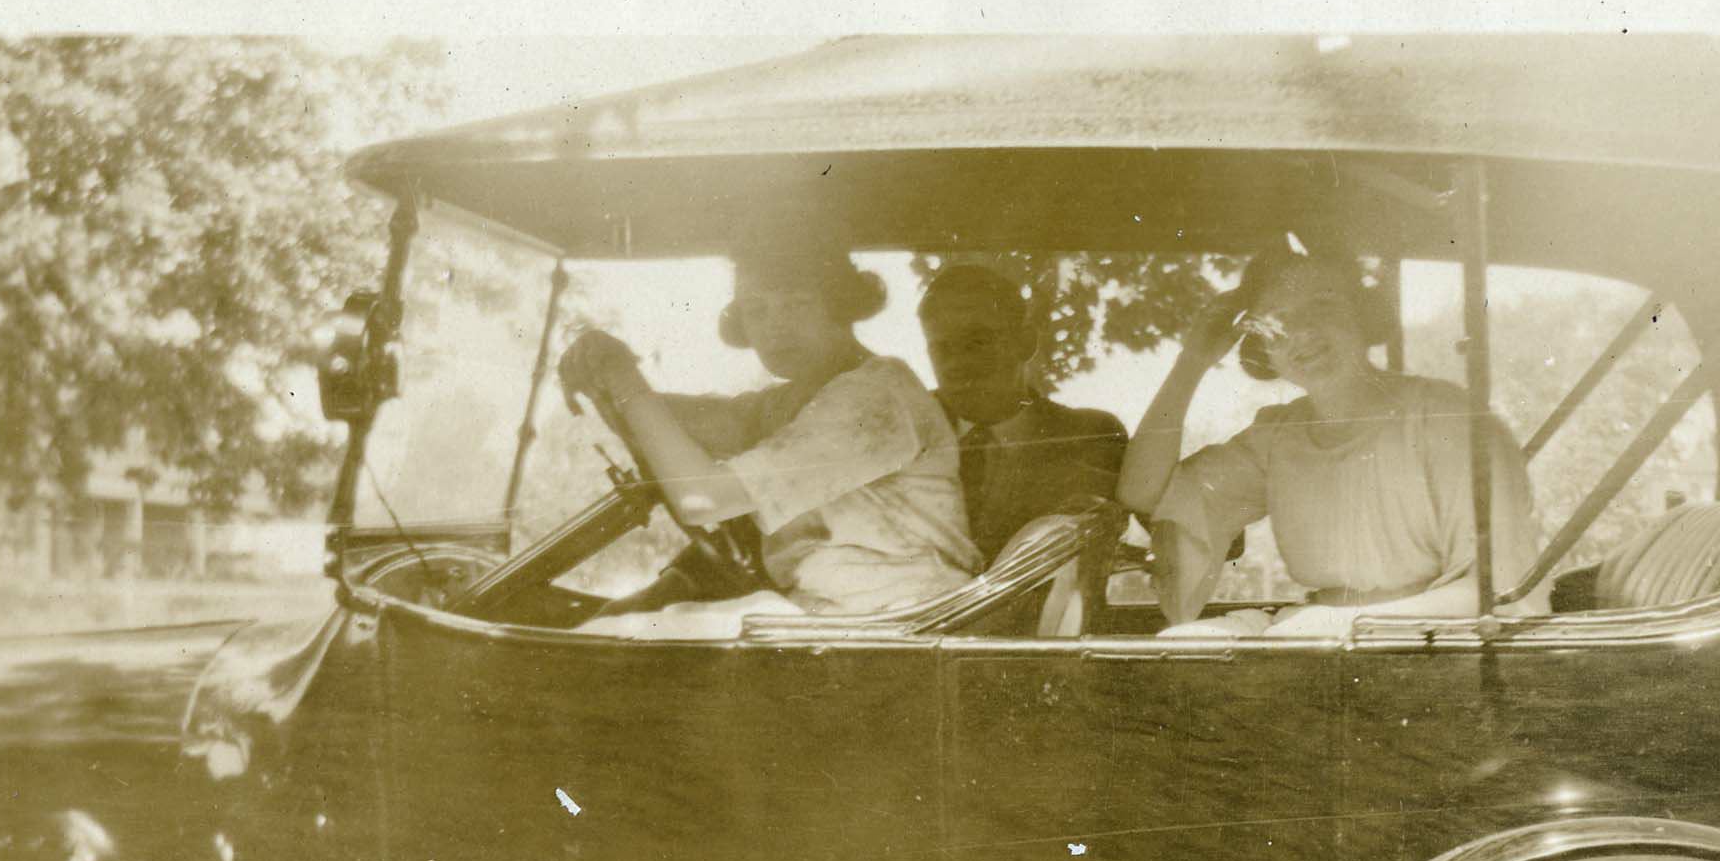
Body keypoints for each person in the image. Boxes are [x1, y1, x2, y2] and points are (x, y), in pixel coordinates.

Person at [557, 230, 978, 629]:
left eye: (796, 304)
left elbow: (703, 499)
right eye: (756, 309)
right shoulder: (804, 398)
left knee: (616, 641)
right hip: (849, 620)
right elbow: (720, 423)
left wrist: (625, 380)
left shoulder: (871, 399)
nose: (775, 328)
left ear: (839, 306)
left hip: (896, 625)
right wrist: (608, 383)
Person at [1118, 249, 1545, 634]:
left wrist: (1343, 623)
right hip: (1318, 638)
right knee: (1183, 647)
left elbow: (1503, 590)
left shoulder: (1447, 418)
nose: (1300, 333)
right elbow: (1143, 493)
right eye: (1275, 321)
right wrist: (1191, 362)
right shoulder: (1277, 436)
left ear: (1363, 317)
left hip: (1433, 648)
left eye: (1322, 307)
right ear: (1263, 350)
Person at [913, 263, 1130, 560]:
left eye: (977, 342)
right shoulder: (902, 439)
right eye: (941, 349)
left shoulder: (1092, 437)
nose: (955, 365)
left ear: (1026, 343)